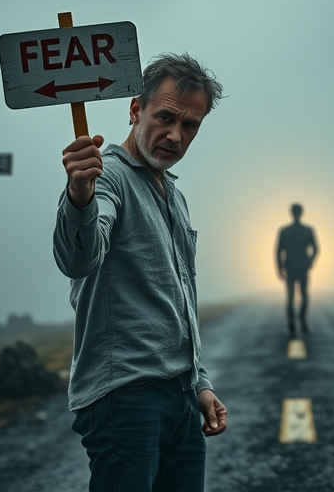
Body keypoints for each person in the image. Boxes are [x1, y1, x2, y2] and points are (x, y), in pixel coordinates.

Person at [53, 53, 227, 492]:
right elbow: (79, 260)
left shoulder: (173, 194)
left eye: (190, 125)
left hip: (181, 398)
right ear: (135, 110)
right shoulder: (106, 178)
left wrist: (199, 382)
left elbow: (179, 298)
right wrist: (79, 193)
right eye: (166, 117)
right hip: (126, 399)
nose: (175, 135)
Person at [276, 203, 319, 334]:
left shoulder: (287, 231)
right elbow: (278, 251)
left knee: (299, 296)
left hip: (296, 267)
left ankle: (298, 319)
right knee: (296, 296)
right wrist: (310, 261)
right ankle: (295, 320)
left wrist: (280, 267)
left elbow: (279, 251)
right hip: (296, 267)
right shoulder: (304, 230)